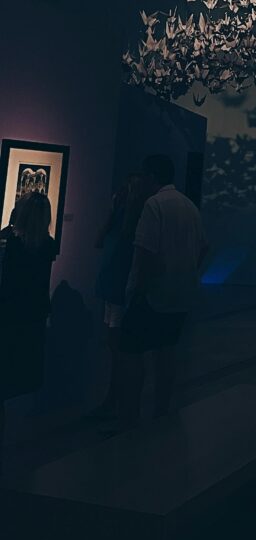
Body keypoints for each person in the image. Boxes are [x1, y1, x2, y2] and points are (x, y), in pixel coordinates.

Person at [119, 154, 207, 425]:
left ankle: (130, 416)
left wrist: (137, 289)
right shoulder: (189, 206)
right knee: (166, 352)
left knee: (132, 352)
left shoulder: (153, 205)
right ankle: (161, 412)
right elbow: (204, 247)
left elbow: (145, 252)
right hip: (181, 293)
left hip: (152, 293)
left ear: (152, 177)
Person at [0, 192, 57, 466]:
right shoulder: (47, 244)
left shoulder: (11, 242)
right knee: (21, 372)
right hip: (33, 314)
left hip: (9, 313)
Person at [87, 173, 146, 420]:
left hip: (120, 287)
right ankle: (114, 399)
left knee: (118, 346)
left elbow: (115, 241)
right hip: (113, 285)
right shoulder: (122, 214)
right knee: (113, 345)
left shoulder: (136, 218)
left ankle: (118, 401)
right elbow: (99, 240)